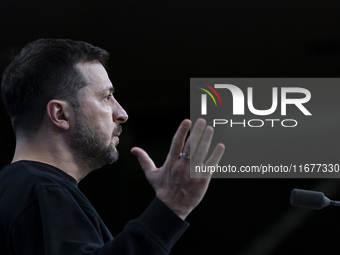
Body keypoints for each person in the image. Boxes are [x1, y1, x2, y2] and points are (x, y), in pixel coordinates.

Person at [0, 38, 225, 255]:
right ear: (60, 114)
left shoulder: (18, 190)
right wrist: (171, 207)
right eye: (106, 97)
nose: (122, 114)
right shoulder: (43, 190)